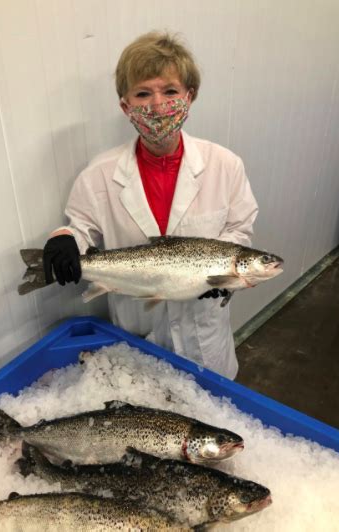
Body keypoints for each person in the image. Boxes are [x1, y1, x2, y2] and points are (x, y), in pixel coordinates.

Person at [42, 31, 258, 379]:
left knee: (212, 424)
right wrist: (64, 237)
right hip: (136, 327)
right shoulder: (99, 174)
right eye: (143, 93)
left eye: (170, 91)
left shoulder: (225, 165)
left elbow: (239, 229)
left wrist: (226, 275)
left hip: (204, 337)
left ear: (190, 96)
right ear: (125, 105)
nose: (158, 105)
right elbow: (80, 226)